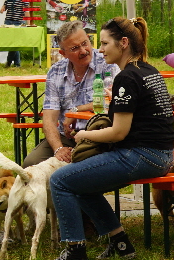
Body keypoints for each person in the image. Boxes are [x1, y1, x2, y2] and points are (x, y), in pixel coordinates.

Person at [44, 17, 174, 260]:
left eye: (104, 43)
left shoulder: (126, 78)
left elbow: (117, 133)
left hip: (142, 156)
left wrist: (84, 135)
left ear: (123, 43)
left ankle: (74, 253)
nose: (99, 50)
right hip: (162, 156)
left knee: (60, 180)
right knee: (81, 184)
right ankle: (120, 243)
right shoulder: (148, 70)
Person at [22, 21, 119, 167]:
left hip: (98, 135)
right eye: (75, 48)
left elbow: (112, 102)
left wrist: (75, 111)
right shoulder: (56, 71)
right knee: (31, 164)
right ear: (63, 53)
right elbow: (48, 119)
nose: (84, 50)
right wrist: (58, 149)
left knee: (80, 168)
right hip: (67, 136)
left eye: (85, 43)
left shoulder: (107, 63)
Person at [0, 0, 27, 67]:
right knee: (10, 42)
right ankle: (16, 63)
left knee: (15, 43)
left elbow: (26, 9)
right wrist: (3, 8)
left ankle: (10, 63)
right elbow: (5, 4)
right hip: (9, 20)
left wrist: (27, 22)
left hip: (19, 21)